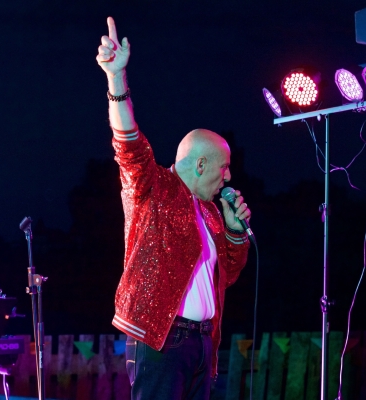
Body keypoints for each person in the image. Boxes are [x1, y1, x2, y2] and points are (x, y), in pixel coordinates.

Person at [96, 17, 252, 399]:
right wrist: (116, 79)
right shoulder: (155, 188)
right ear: (200, 164)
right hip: (161, 339)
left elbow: (228, 274)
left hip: (202, 342)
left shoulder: (213, 212)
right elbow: (128, 146)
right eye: (223, 167)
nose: (228, 177)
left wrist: (234, 230)